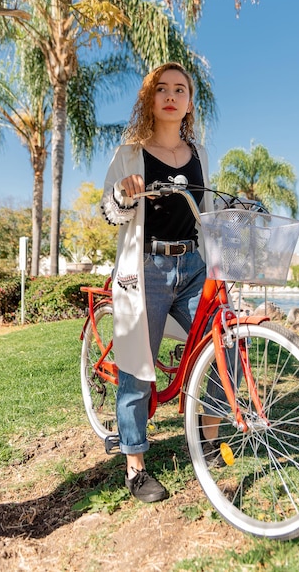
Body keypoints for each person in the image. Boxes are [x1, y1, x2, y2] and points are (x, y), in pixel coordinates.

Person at [101, 62, 218, 503]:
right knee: (136, 367)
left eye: (180, 90)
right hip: (145, 268)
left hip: (193, 268)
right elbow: (111, 211)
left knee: (217, 346)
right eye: (162, 89)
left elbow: (205, 213)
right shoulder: (130, 153)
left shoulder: (200, 154)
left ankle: (209, 438)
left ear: (189, 102)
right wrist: (124, 194)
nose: (171, 96)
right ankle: (135, 466)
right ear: (150, 99)